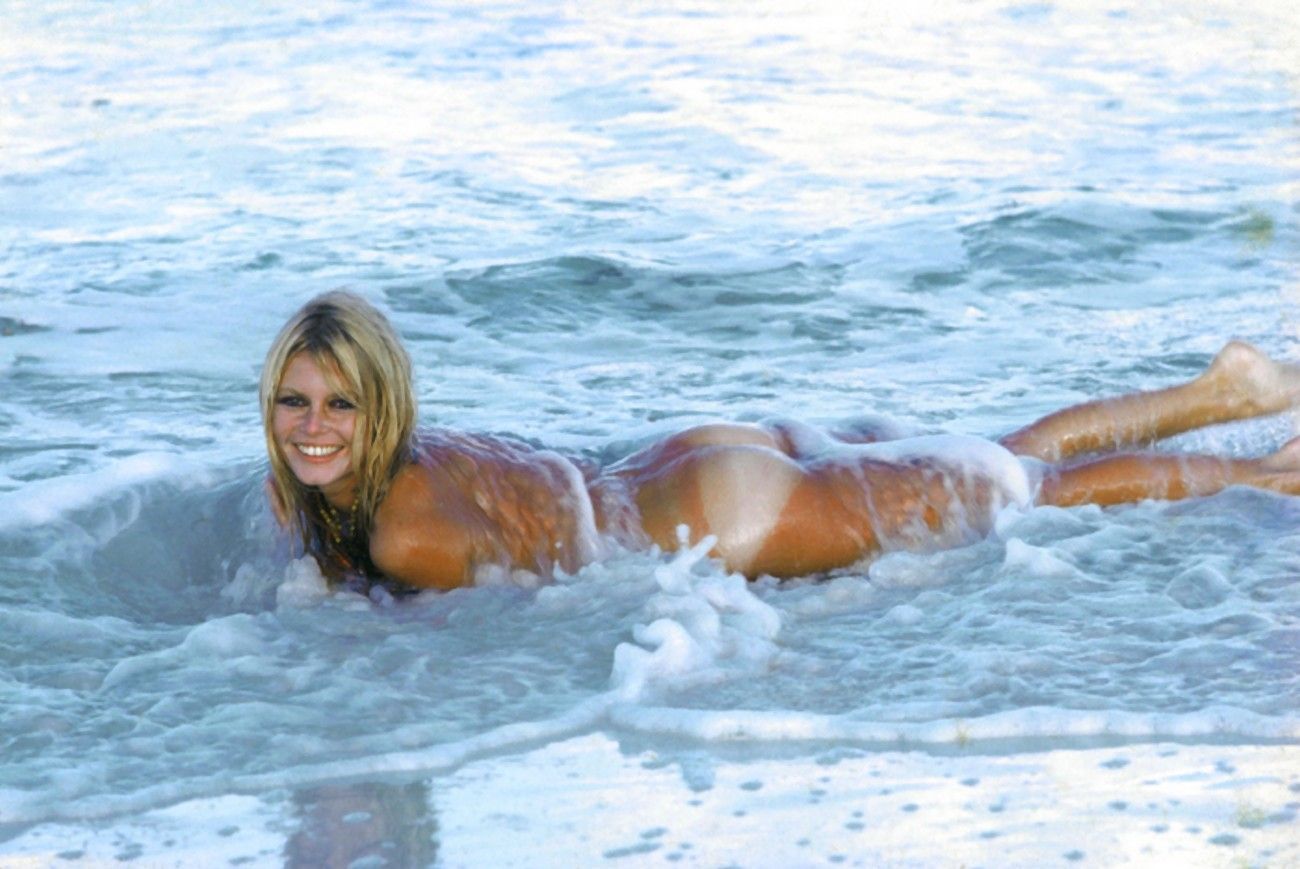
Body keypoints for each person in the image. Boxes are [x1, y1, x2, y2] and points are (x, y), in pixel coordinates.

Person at [261, 291, 1300, 592]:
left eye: (339, 406)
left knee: (1023, 493)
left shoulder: (402, 533)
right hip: (672, 469)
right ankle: (1224, 392)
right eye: (295, 403)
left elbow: (493, 631)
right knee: (995, 459)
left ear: (381, 404)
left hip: (707, 516)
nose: (314, 428)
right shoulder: (370, 468)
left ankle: (1268, 471)